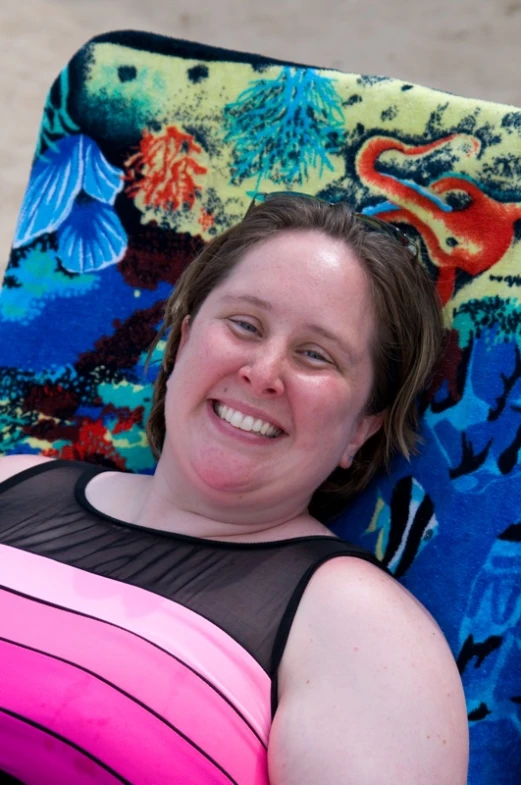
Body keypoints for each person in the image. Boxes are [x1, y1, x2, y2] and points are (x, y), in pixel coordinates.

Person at [0, 194, 468, 784]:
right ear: (183, 341)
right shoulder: (13, 481)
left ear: (361, 428)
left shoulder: (362, 630)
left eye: (315, 355)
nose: (264, 372)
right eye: (245, 325)